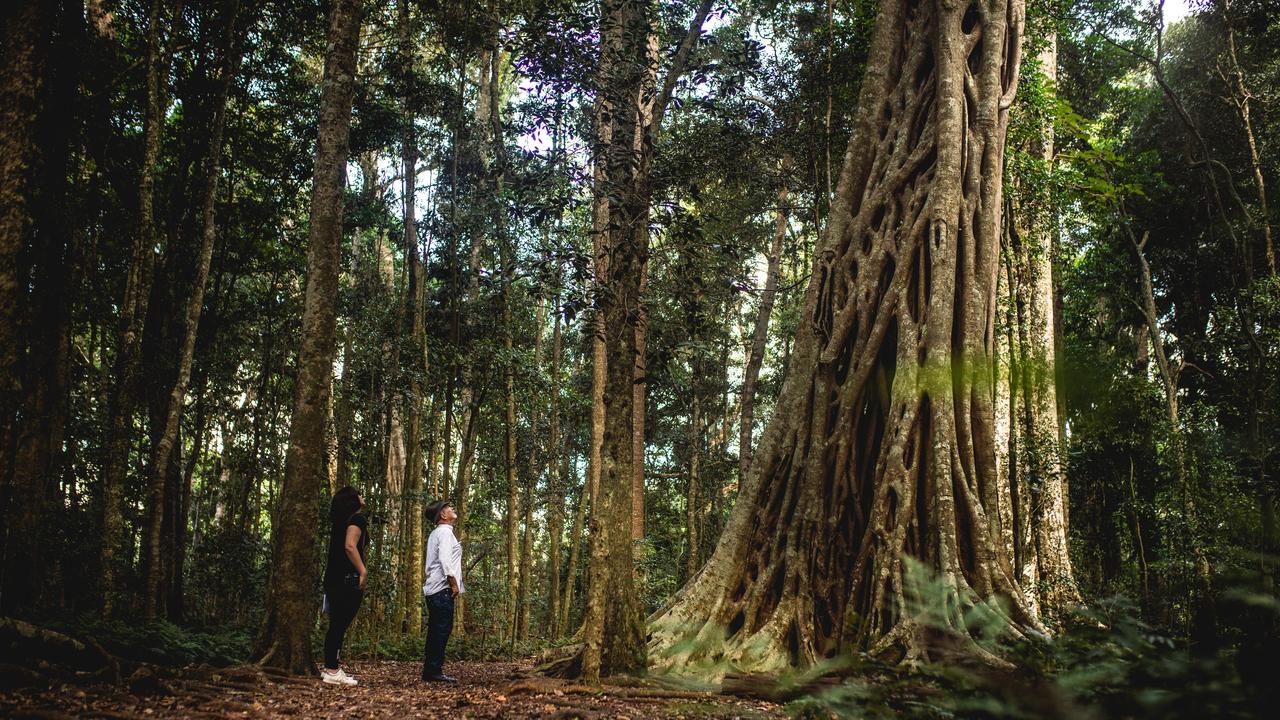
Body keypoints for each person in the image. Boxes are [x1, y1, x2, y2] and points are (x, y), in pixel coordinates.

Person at [321, 486, 367, 686]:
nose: (362, 496)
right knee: (339, 625)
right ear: (353, 500)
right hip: (347, 579)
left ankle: (332, 667)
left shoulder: (340, 522)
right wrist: (362, 570)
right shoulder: (357, 519)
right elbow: (350, 545)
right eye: (359, 493)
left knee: (336, 625)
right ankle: (332, 670)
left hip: (333, 578)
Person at [421, 499, 463, 683]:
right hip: (442, 590)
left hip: (435, 589)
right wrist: (454, 584)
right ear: (442, 516)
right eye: (448, 508)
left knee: (437, 630)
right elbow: (446, 562)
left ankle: (431, 670)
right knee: (441, 630)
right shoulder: (445, 533)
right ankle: (433, 671)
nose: (452, 509)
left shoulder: (438, 533)